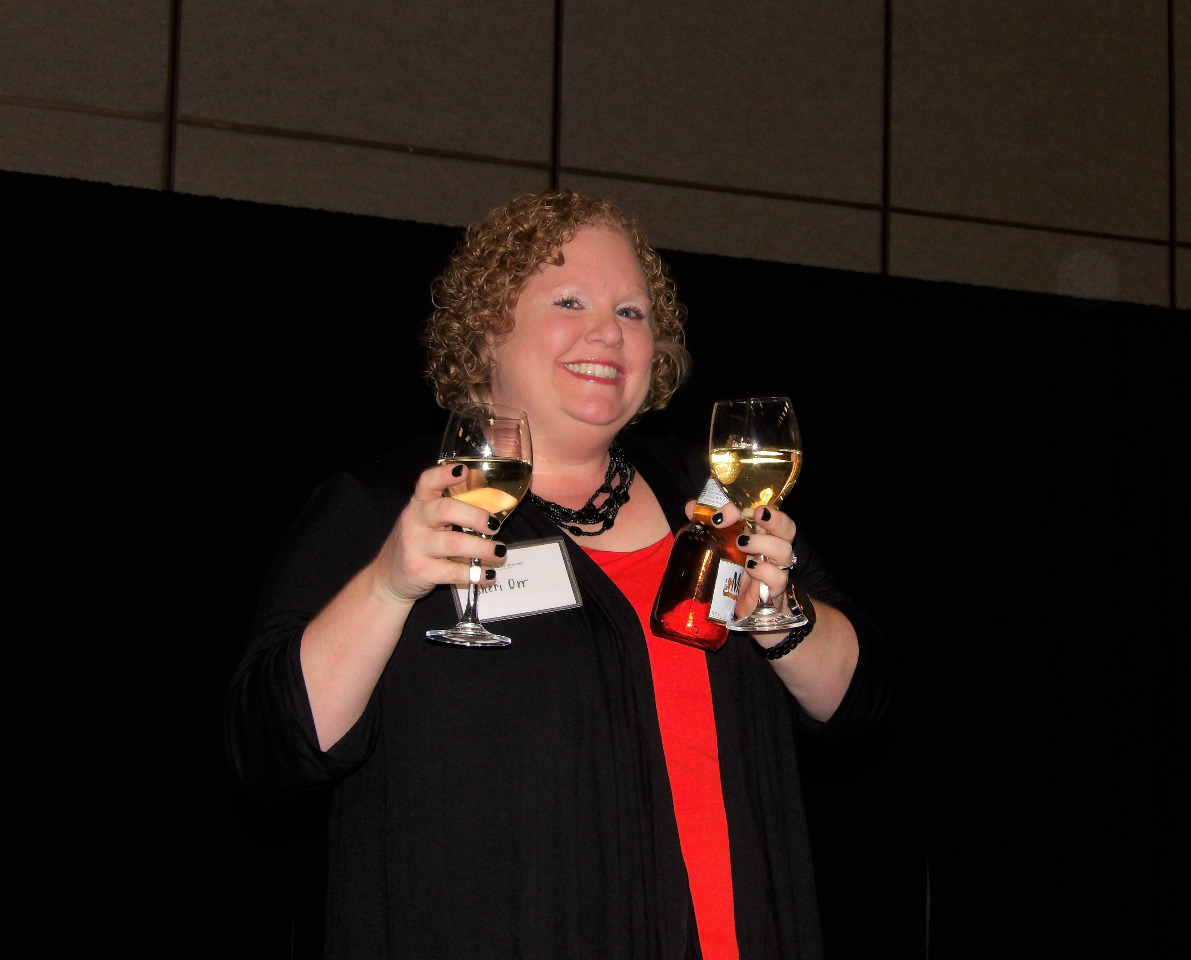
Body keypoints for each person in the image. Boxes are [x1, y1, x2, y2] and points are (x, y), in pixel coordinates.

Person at [225, 189, 889, 959]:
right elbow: (272, 749)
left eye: (633, 313)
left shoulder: (714, 498)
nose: (607, 332)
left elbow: (859, 700)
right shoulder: (384, 506)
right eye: (569, 300)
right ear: (486, 331)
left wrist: (779, 617)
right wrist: (386, 587)